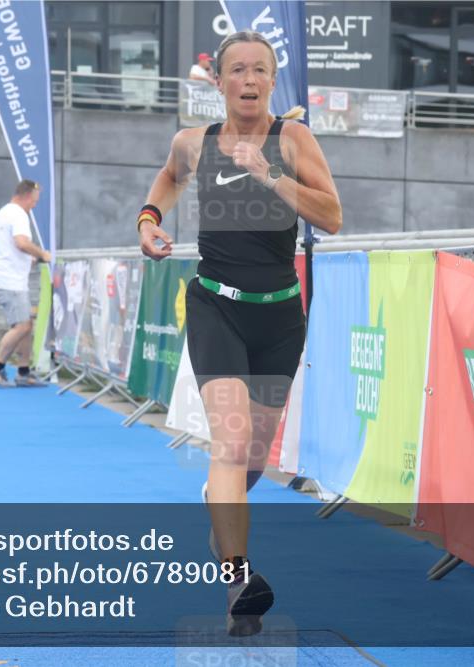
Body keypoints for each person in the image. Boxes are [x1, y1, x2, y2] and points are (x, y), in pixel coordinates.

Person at [139, 31, 342, 636]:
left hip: (279, 318)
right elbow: (165, 184)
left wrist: (271, 175)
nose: (249, 80)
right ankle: (239, 579)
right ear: (220, 82)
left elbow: (331, 216)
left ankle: (222, 505)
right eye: (238, 71)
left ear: (272, 81)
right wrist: (148, 223)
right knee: (229, 447)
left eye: (260, 70)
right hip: (215, 308)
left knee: (250, 463)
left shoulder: (294, 139)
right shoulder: (193, 143)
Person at [0, 179, 51, 388]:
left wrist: (17, 257)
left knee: (24, 325)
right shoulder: (19, 215)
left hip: (8, 279)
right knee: (22, 326)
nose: (34, 206)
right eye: (35, 202)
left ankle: (23, 372)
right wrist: (42, 254)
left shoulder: (2, 213)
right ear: (28, 196)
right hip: (11, 281)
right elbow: (21, 242)